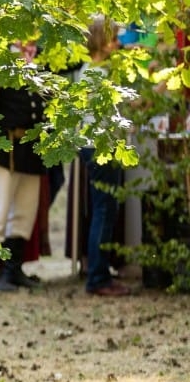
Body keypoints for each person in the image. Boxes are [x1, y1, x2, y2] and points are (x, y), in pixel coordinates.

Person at [0, 40, 60, 291]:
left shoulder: (41, 59)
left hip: (33, 147)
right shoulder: (0, 59)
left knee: (25, 211)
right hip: (7, 145)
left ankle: (14, 270)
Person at [75, 17, 131, 297]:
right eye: (114, 37)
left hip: (95, 145)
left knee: (104, 209)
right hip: (100, 146)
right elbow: (120, 111)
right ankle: (97, 278)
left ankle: (99, 273)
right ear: (101, 40)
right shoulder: (98, 73)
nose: (119, 43)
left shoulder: (92, 71)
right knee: (104, 209)